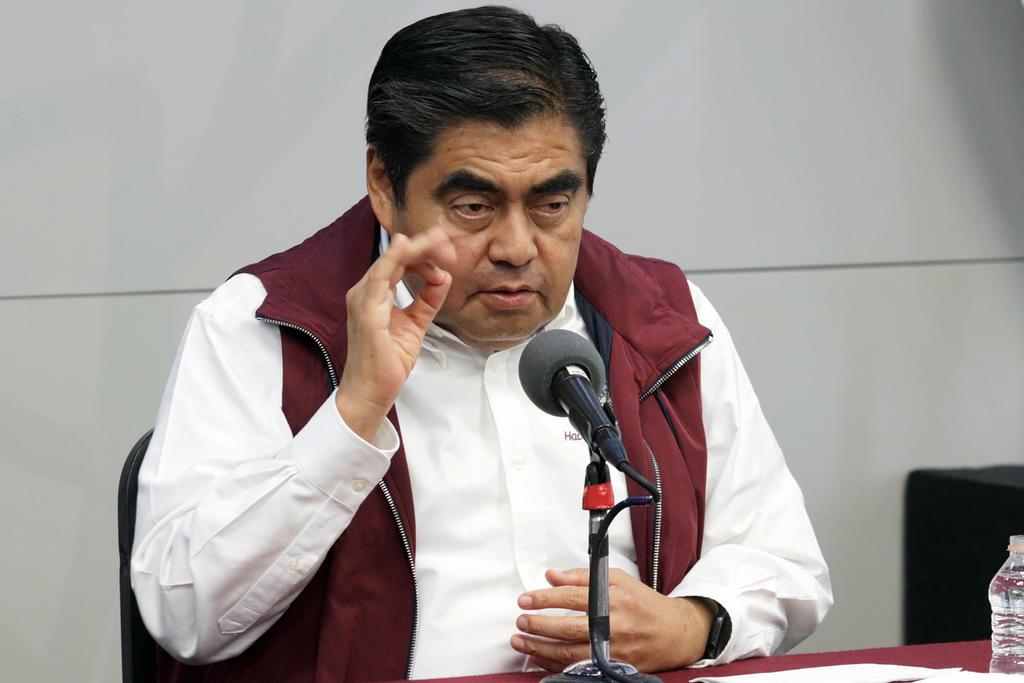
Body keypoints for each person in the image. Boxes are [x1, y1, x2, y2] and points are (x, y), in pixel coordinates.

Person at [131, 6, 832, 682]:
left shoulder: (664, 318)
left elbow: (785, 560)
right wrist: (352, 414)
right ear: (384, 185)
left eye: (552, 205)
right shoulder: (264, 324)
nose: (517, 246)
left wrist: (692, 623)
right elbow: (183, 614)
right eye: (473, 207)